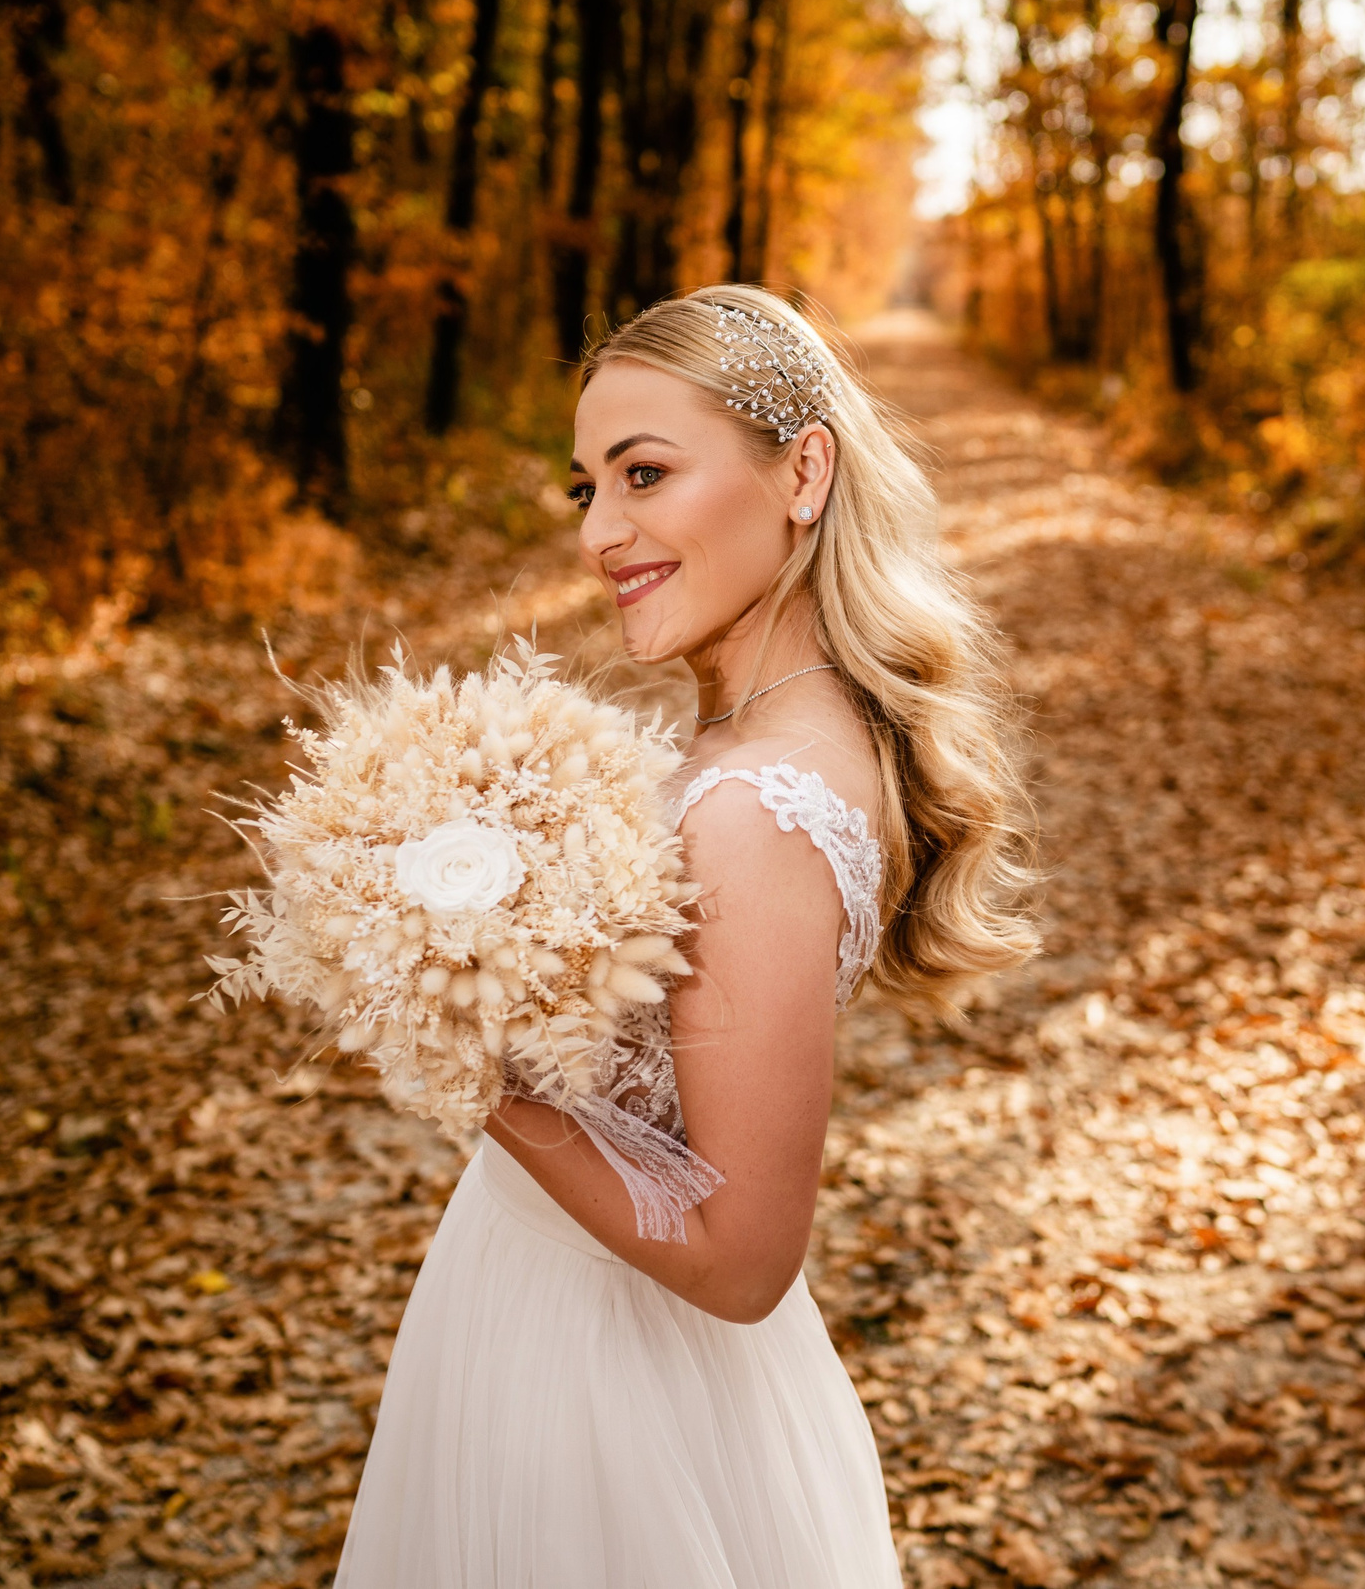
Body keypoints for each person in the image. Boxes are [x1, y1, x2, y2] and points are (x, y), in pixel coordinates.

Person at [334, 284, 1039, 1587]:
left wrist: (466, 1052)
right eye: (586, 489)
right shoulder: (748, 748)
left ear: (802, 472)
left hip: (609, 1394)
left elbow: (739, 1259)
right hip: (574, 1334)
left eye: (646, 473)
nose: (604, 532)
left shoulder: (753, 811)